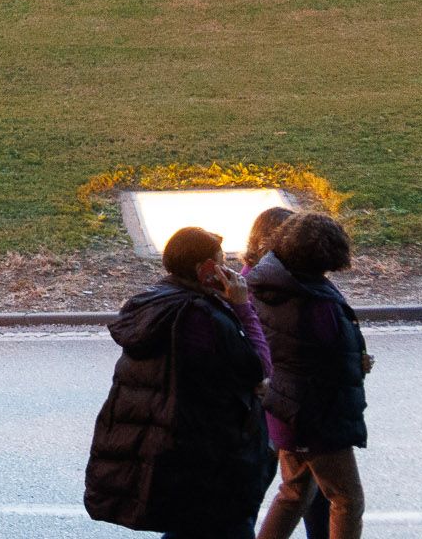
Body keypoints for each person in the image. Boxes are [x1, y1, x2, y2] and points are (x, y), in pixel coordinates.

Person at [82, 226, 272, 539]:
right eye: (221, 262)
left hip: (180, 447)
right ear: (205, 270)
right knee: (224, 526)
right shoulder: (199, 316)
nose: (230, 270)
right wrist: (242, 306)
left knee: (191, 527)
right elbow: (259, 368)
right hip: (210, 455)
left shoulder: (156, 303)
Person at [249, 214, 370, 539]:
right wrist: (357, 363)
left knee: (294, 493)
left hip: (285, 411)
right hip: (317, 418)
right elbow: (330, 360)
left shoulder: (271, 285)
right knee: (347, 501)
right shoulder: (315, 303)